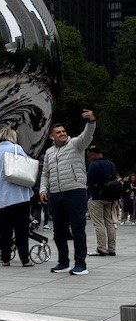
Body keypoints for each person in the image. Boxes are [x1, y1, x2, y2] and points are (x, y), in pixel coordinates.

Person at [40, 109, 96, 275]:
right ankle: (63, 262)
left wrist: (91, 121)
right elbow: (45, 173)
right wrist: (43, 189)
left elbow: (87, 136)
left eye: (63, 131)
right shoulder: (49, 152)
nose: (62, 134)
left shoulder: (76, 144)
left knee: (78, 228)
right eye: (58, 132)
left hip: (75, 191)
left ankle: (80, 264)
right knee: (58, 231)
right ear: (52, 137)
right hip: (56, 194)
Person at [0, 127, 34, 267]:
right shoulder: (16, 149)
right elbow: (27, 168)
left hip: (1, 197)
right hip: (19, 195)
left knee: (4, 229)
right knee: (21, 229)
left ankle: (5, 258)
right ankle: (25, 259)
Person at [86, 145, 117, 256]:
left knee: (98, 223)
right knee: (109, 222)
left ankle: (101, 248)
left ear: (94, 154)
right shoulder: (111, 164)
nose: (89, 158)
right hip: (110, 196)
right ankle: (112, 248)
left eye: (90, 156)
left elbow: (89, 180)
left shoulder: (94, 165)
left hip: (96, 196)